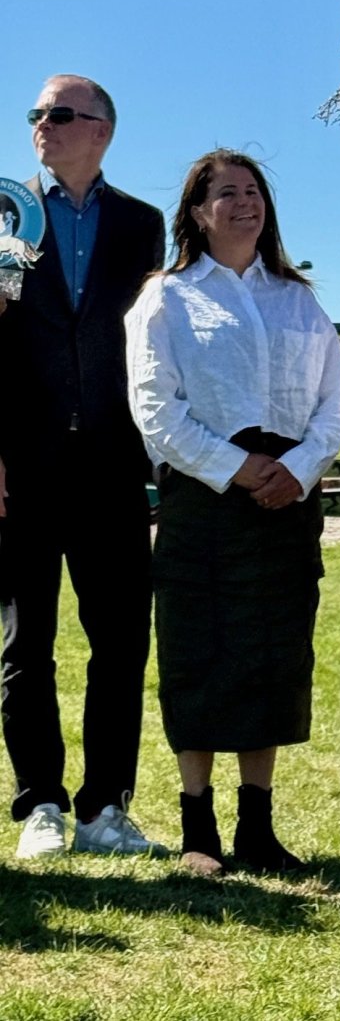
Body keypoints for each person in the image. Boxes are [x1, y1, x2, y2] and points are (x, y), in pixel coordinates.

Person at [126, 151, 340, 875]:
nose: (245, 203)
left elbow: (332, 408)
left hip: (287, 502)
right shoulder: (166, 298)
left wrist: (300, 468)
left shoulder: (300, 299)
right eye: (227, 193)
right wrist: (235, 466)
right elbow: (156, 411)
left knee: (271, 659)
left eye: (253, 192)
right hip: (205, 499)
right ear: (195, 211)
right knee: (198, 654)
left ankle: (258, 827)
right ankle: (199, 830)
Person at [0, 74, 166, 859]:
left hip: (111, 463)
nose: (42, 124)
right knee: (25, 641)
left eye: (59, 114)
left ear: (101, 130)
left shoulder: (142, 224)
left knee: (121, 640)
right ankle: (41, 803)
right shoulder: (4, 213)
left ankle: (106, 806)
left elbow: (149, 343)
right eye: (36, 114)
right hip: (22, 465)